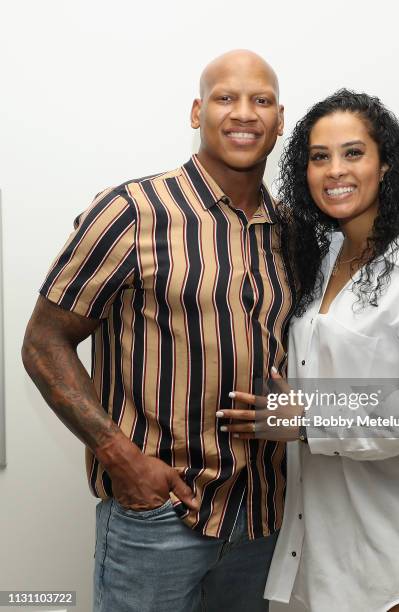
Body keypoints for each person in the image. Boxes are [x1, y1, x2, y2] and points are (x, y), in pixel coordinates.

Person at [21, 49, 295, 612]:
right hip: (159, 519)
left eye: (260, 100)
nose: (244, 113)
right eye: (226, 98)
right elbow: (43, 342)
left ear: (280, 120)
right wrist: (120, 457)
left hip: (260, 519)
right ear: (197, 112)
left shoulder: (290, 230)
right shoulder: (133, 210)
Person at [219, 90, 399, 611]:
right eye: (320, 156)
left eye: (353, 153)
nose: (335, 170)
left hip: (395, 558)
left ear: (385, 166)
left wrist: (310, 419)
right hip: (315, 545)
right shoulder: (319, 264)